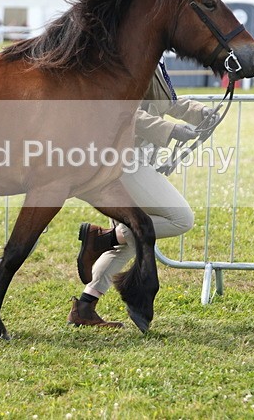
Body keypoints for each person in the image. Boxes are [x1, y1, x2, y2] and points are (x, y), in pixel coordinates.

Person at [67, 60, 216, 328]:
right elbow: (122, 111)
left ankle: (85, 307)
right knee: (181, 219)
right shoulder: (128, 55)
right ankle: (103, 238)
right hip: (124, 160)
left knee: (128, 242)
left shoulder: (153, 56)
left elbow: (168, 102)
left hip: (139, 157)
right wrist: (169, 130)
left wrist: (200, 112)